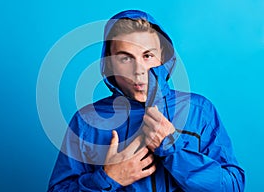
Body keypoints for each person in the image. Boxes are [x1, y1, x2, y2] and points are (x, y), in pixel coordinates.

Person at [48, 10, 245, 191]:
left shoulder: (199, 111)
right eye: (125, 58)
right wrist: (107, 179)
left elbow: (232, 186)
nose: (139, 71)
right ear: (109, 63)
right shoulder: (87, 121)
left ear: (163, 58)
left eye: (148, 55)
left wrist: (172, 149)